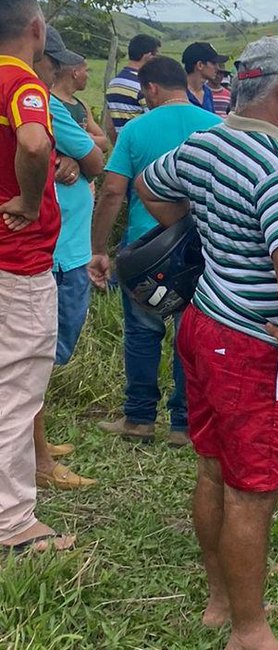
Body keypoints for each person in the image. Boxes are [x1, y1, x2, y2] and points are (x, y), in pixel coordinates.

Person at [135, 35, 278, 650]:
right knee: (253, 490)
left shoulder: (207, 142)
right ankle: (250, 631)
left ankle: (222, 597)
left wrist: (211, 243)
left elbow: (149, 186)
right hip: (255, 345)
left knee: (215, 465)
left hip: (206, 324)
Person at [89, 56, 222, 446]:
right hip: (201, 251)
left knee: (143, 333)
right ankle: (183, 424)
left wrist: (99, 248)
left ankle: (140, 419)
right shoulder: (217, 127)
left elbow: (113, 191)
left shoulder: (136, 130)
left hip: (147, 253)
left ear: (150, 89)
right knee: (189, 334)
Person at [0, 1, 76, 554]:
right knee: (18, 389)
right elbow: (33, 141)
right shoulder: (22, 83)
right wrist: (30, 197)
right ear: (36, 29)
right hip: (17, 259)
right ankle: (14, 523)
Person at [33, 27, 103, 491]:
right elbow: (97, 159)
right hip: (55, 251)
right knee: (35, 355)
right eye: (49, 60)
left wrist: (70, 157)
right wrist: (76, 158)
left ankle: (33, 440)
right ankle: (35, 456)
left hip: (63, 246)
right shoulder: (42, 104)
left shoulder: (43, 104)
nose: (55, 69)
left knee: (40, 354)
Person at [105, 33, 160, 143]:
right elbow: (155, 122)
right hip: (144, 146)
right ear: (148, 56)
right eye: (156, 55)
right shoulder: (144, 85)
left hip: (124, 144)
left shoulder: (113, 83)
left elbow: (110, 125)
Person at [50, 56, 109, 152]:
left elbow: (104, 143)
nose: (88, 76)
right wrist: (87, 137)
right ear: (75, 73)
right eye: (86, 71)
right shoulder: (50, 102)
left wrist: (78, 139)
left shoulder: (82, 105)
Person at [182, 42, 227, 113]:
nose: (217, 68)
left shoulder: (208, 92)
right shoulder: (179, 92)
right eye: (213, 63)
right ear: (200, 65)